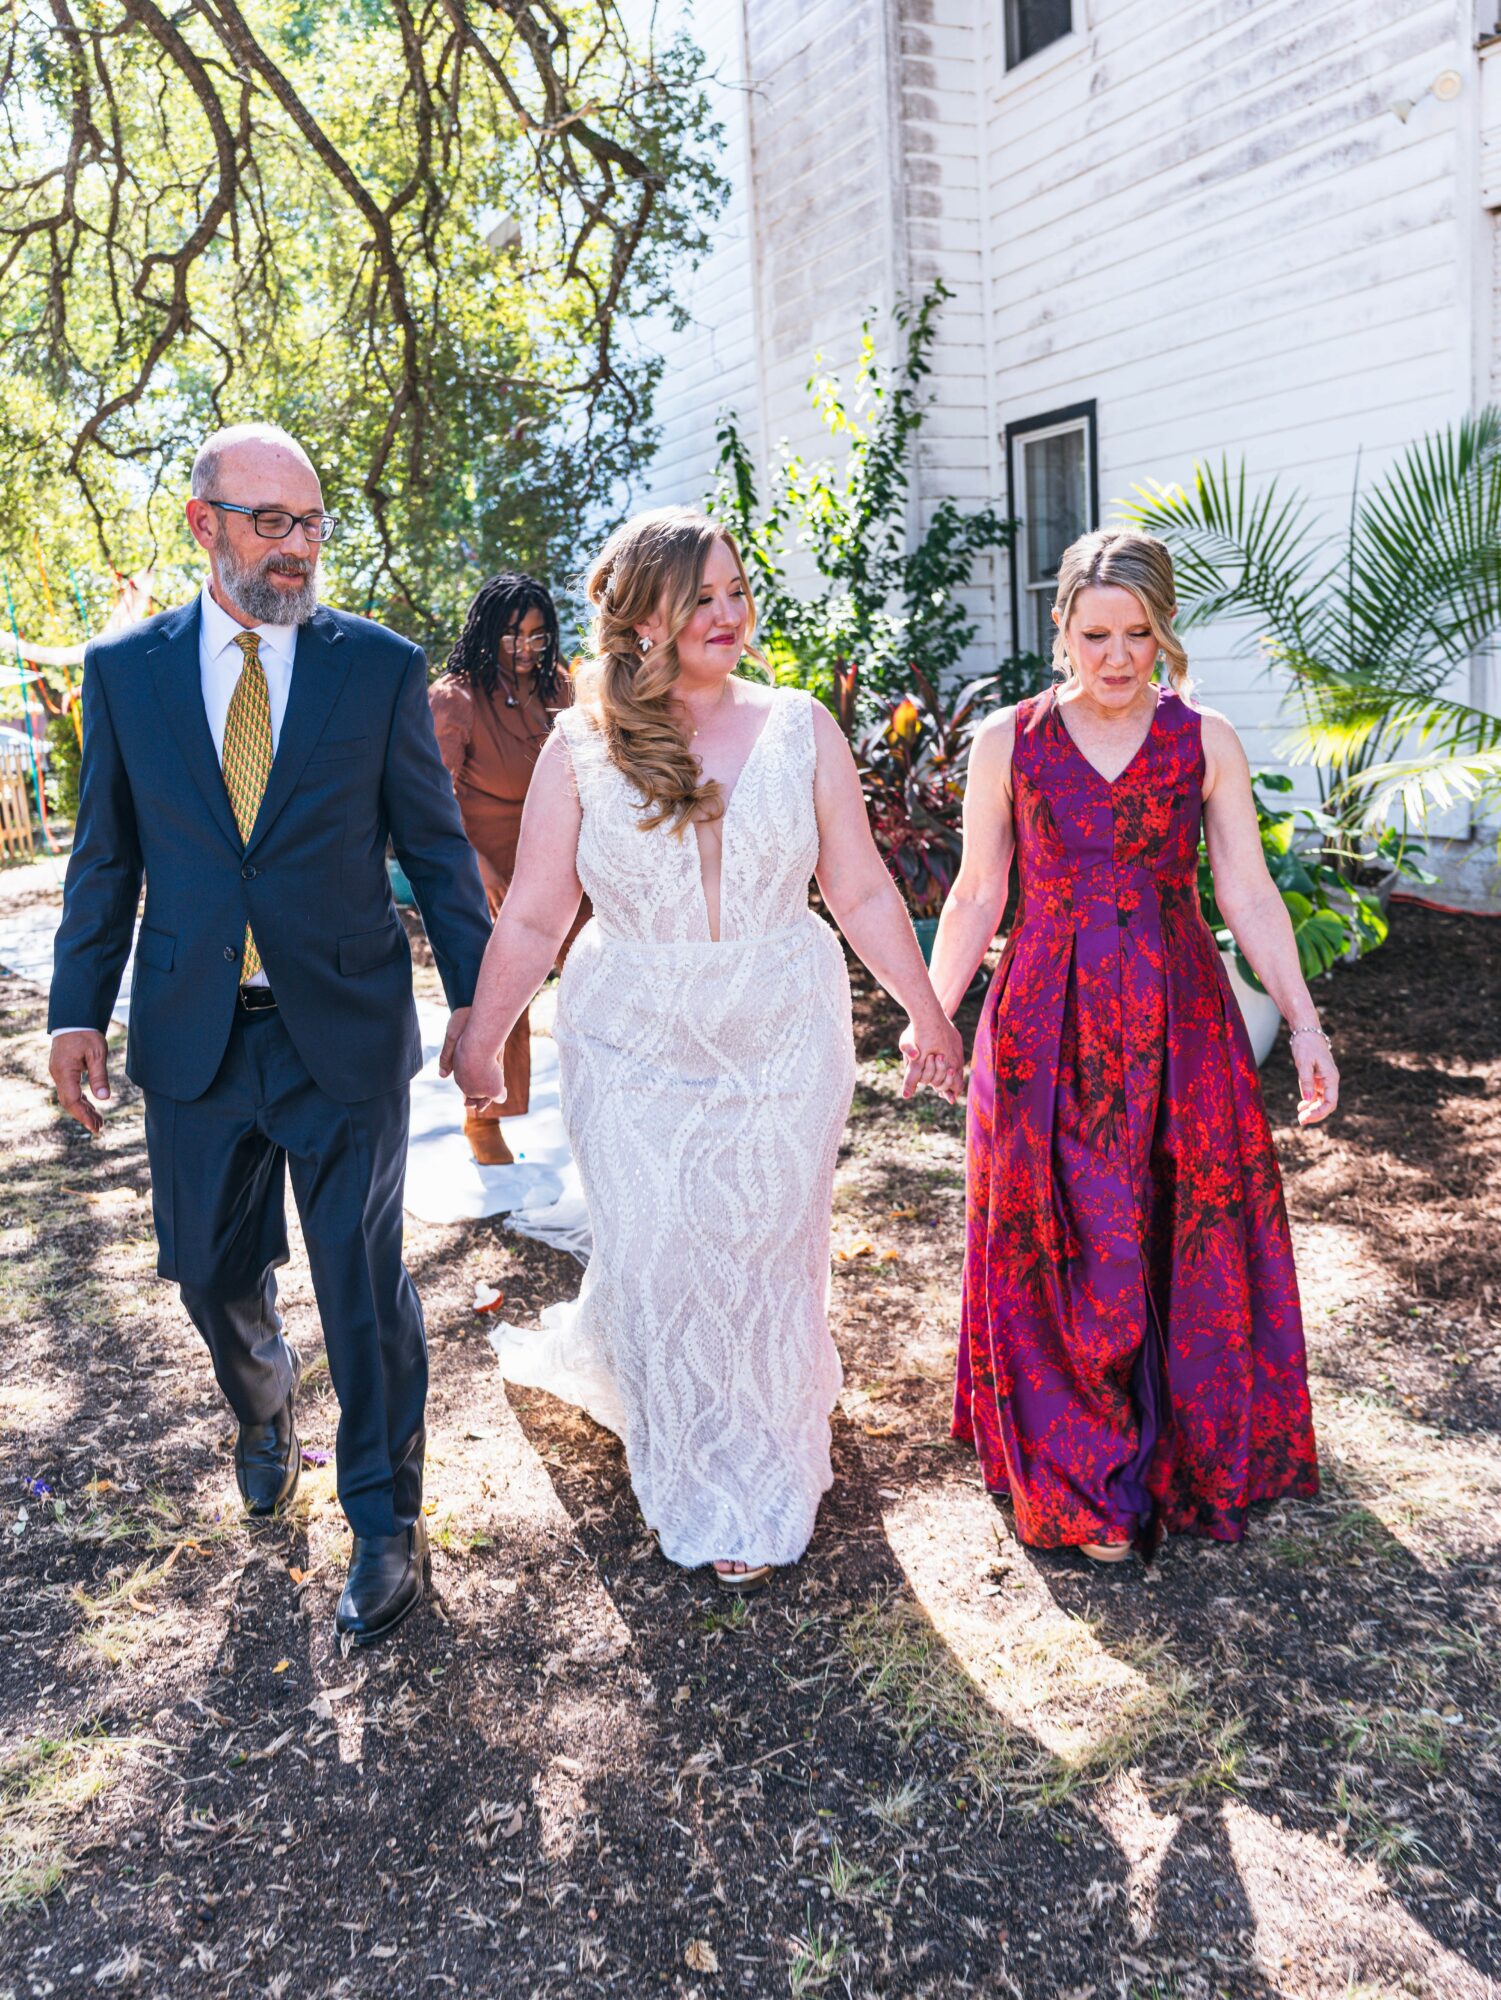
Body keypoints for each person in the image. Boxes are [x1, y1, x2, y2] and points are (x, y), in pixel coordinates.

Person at [453, 507, 964, 1589]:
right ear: (643, 617)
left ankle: (767, 1439)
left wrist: (926, 1011)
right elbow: (537, 914)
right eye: (702, 598)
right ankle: (694, 1460)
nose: (728, 614)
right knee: (660, 1244)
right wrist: (485, 1037)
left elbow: (859, 888)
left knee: (769, 1246)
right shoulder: (580, 745)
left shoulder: (799, 727)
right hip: (631, 1036)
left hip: (783, 1029)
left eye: (737, 590)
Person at [47, 422, 492, 1644]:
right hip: (194, 1031)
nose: (298, 547)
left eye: (312, 524)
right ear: (204, 523)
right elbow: (105, 858)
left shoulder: (377, 667)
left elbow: (436, 849)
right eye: (271, 523)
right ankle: (262, 1399)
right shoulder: (125, 671)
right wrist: (77, 1006)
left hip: (340, 1029)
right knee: (207, 1270)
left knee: (360, 1279)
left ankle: (384, 1518)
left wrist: (479, 1005)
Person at [927, 529, 1331, 1564]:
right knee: (1058, 1232)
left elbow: (1246, 891)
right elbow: (975, 893)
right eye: (1095, 633)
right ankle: (1082, 1473)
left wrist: (1305, 1022)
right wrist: (931, 1015)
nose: (1116, 656)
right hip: (1044, 1018)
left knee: (1173, 1221)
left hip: (1179, 1015)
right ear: (1059, 626)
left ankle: (1172, 1452)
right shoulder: (1008, 740)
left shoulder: (1204, 739)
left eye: (1138, 634)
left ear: (1164, 631)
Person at [429, 573, 585, 1164]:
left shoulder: (560, 688)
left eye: (539, 636)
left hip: (563, 859)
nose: (527, 649)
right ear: (487, 632)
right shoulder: (456, 699)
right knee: (503, 989)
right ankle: (485, 1117)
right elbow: (430, 801)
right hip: (486, 865)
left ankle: (608, 1095)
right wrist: (480, 871)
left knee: (598, 973)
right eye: (513, 636)